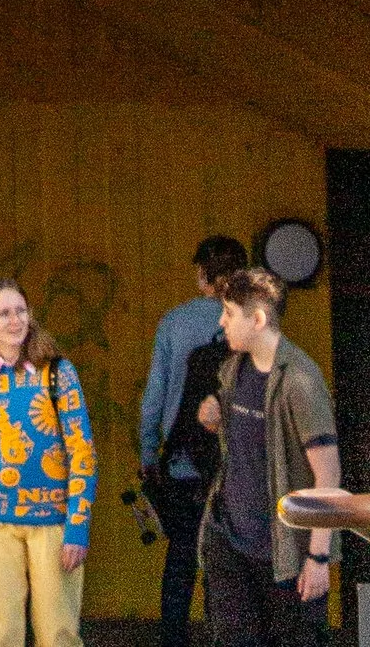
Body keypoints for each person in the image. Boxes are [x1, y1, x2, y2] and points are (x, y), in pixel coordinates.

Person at [0, 277, 97, 647]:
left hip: (53, 521)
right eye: (4, 314)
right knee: (1, 635)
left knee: (58, 633)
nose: (15, 321)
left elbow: (83, 453)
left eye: (21, 311)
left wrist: (78, 526)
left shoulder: (58, 372)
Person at [196, 266, 340, 646]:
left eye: (228, 313)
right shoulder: (232, 371)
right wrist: (216, 412)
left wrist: (318, 558)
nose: (221, 322)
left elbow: (328, 476)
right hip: (231, 539)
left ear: (257, 319)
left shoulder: (300, 380)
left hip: (284, 551)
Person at [140, 236, 251, 646]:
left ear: (204, 274)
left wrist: (149, 453)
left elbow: (154, 398)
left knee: (182, 555)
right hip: (235, 463)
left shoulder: (174, 322)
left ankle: (174, 639)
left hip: (183, 459)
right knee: (229, 560)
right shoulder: (254, 322)